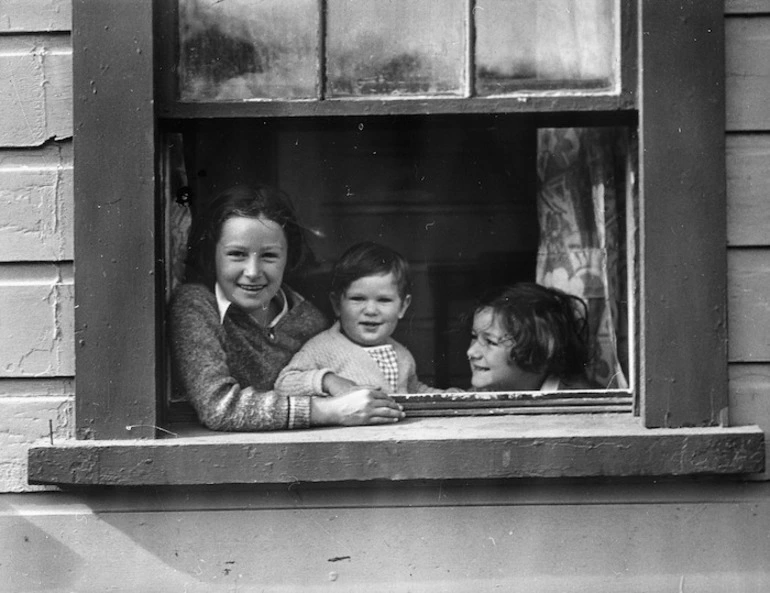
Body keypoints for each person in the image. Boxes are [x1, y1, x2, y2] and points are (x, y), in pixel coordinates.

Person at [169, 184, 405, 431]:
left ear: (288, 257)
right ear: (213, 253)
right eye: (237, 254)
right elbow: (219, 406)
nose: (252, 272)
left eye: (269, 256)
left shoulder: (309, 320)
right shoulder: (196, 305)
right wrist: (329, 411)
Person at [276, 241, 446, 397]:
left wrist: (445, 396)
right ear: (337, 304)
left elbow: (413, 390)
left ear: (402, 307)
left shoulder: (402, 354)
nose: (371, 310)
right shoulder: (321, 348)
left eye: (384, 300)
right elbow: (284, 383)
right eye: (358, 299)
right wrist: (327, 380)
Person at [466, 282, 597, 392]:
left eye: (490, 342)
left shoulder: (576, 403)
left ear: (542, 348)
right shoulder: (490, 389)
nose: (471, 352)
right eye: (474, 336)